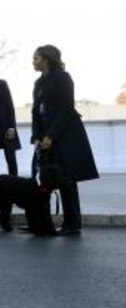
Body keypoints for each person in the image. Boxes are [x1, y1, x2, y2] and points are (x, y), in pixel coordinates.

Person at [31, 45, 99, 236]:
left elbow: (66, 109)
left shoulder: (62, 78)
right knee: (39, 179)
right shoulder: (39, 82)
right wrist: (37, 136)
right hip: (44, 138)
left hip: (64, 136)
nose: (33, 62)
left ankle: (72, 223)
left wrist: (51, 135)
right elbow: (36, 111)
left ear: (46, 59)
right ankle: (40, 222)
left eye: (36, 58)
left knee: (66, 180)